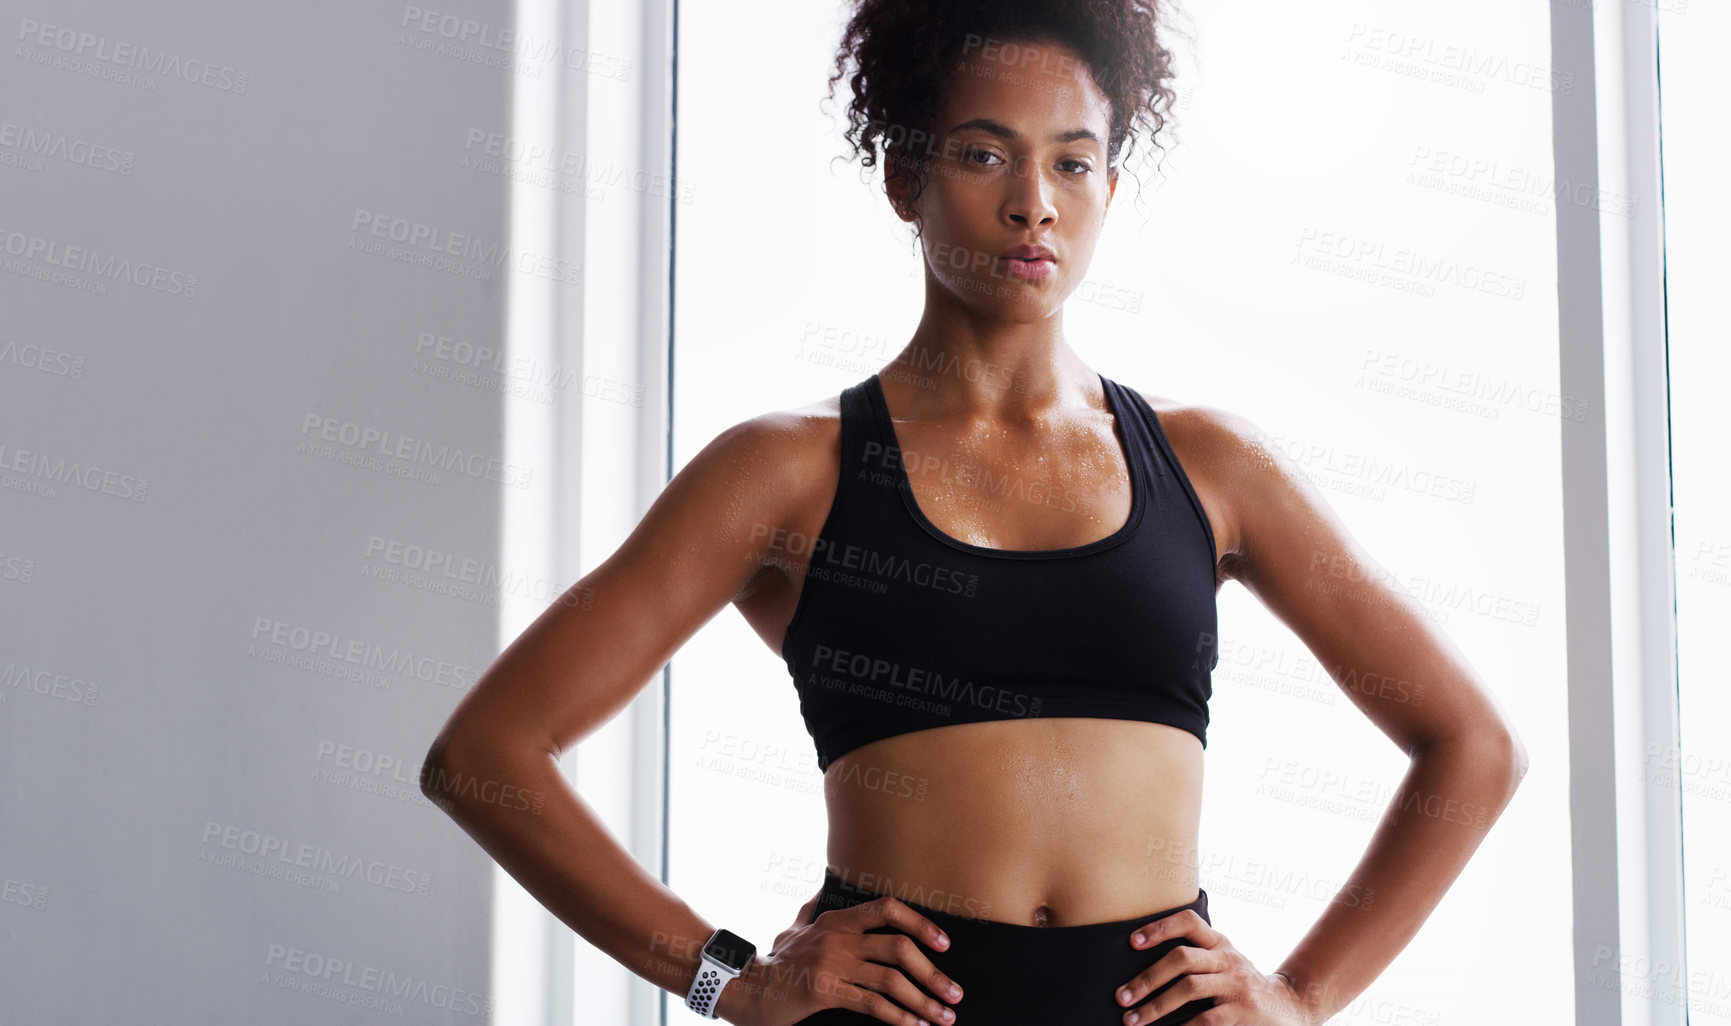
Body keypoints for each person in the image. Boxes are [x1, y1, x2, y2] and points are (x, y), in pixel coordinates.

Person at [420, 2, 1529, 1024]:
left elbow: (1472, 745)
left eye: (1073, 163)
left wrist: (1299, 997)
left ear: (1107, 184)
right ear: (906, 175)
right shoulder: (784, 473)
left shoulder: (1212, 467)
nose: (1032, 203)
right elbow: (486, 756)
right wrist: (732, 981)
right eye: (984, 152)